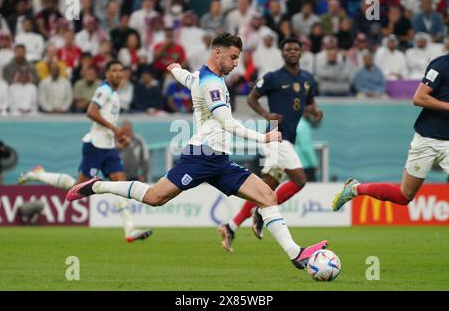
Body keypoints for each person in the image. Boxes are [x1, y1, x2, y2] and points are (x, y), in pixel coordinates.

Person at [66, 33, 328, 270]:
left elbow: (187, 77)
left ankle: (297, 254)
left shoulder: (202, 77)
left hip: (221, 162)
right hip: (200, 157)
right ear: (218, 54)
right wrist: (264, 137)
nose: (237, 63)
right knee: (155, 198)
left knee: (267, 197)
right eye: (233, 57)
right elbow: (227, 122)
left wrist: (175, 69)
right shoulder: (212, 84)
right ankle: (99, 186)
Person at [18, 60, 152, 243]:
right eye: (113, 70)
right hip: (95, 147)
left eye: (121, 70)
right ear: (106, 73)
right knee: (77, 186)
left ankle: (130, 229)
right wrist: (114, 129)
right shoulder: (104, 90)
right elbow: (91, 112)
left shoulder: (114, 94)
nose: (118, 73)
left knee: (120, 183)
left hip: (108, 147)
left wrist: (117, 138)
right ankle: (39, 174)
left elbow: (105, 122)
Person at [219, 37, 324, 250]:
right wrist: (267, 114)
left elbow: (309, 102)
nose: (292, 52)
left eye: (296, 48)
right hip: (276, 135)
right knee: (299, 180)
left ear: (301, 52)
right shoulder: (273, 78)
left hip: (288, 138)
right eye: (288, 49)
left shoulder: (308, 79)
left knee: (265, 187)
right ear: (282, 53)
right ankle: (259, 211)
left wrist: (314, 111)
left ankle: (231, 226)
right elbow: (251, 98)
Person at [332, 53, 449, 212]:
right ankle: (355, 189)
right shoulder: (442, 64)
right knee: (404, 196)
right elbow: (419, 98)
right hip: (427, 139)